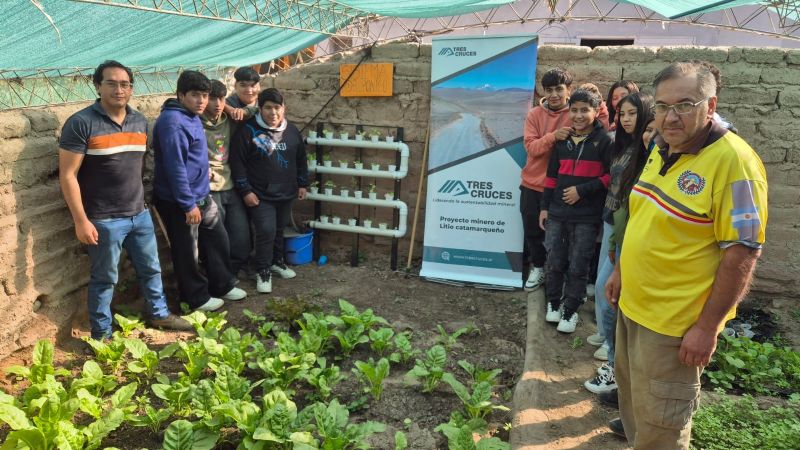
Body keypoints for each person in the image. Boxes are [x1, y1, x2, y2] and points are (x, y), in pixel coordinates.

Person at [606, 61, 768, 448]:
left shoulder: (735, 165)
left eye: (684, 104)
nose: (669, 117)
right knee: (635, 408)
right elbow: (644, 217)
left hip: (674, 325)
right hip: (634, 309)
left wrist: (707, 328)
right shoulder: (664, 148)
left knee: (663, 427)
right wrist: (621, 273)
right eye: (661, 106)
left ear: (711, 106)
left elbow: (742, 254)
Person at [58, 60, 192, 340]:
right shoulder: (82, 123)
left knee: (151, 268)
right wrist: (81, 221)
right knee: (105, 278)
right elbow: (68, 175)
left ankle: (159, 314)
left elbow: (139, 166)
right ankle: (102, 334)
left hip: (139, 213)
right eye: (111, 83)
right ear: (97, 86)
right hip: (103, 219)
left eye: (125, 84)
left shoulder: (139, 121)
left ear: (131, 88)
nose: (119, 89)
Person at [152, 70, 247, 312]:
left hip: (201, 195)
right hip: (180, 200)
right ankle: (195, 298)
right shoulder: (172, 122)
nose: (202, 101)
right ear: (181, 94)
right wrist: (188, 204)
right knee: (187, 250)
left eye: (204, 95)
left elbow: (194, 157)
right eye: (195, 95)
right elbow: (175, 167)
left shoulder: (191, 115)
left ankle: (222, 284)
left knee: (217, 238)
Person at [584, 92, 653, 395]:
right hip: (613, 223)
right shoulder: (623, 146)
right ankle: (615, 359)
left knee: (608, 292)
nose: (625, 119)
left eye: (632, 114)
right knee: (606, 293)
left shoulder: (649, 151)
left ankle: (616, 366)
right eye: (621, 113)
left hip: (630, 232)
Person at [539, 89, 612, 334]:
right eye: (574, 110)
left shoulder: (605, 142)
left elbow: (610, 177)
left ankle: (571, 309)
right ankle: (553, 301)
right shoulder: (562, 141)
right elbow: (551, 177)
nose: (579, 115)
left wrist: (582, 190)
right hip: (557, 214)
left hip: (586, 216)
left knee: (579, 264)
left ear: (596, 111)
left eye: (584, 110)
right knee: (554, 260)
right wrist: (544, 207)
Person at [230, 88, 309, 293]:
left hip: (286, 192)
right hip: (260, 194)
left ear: (284, 108)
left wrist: (302, 184)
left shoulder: (291, 131)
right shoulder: (248, 131)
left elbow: (300, 159)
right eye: (268, 108)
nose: (273, 112)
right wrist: (246, 190)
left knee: (280, 229)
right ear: (260, 108)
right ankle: (262, 270)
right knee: (266, 231)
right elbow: (237, 163)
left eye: (277, 107)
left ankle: (276, 262)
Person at [520, 68, 574, 291]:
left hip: (562, 188)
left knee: (561, 235)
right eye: (549, 90)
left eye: (559, 89)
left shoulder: (577, 113)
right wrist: (553, 136)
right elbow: (531, 148)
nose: (554, 94)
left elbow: (600, 123)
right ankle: (539, 267)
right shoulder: (534, 114)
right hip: (532, 184)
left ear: (568, 90)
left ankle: (558, 276)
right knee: (532, 231)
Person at [202, 80, 257, 277]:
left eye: (221, 99)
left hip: (231, 183)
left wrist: (233, 109)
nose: (217, 104)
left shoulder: (229, 118)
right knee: (217, 237)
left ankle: (236, 270)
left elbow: (255, 109)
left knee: (240, 234)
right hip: (208, 187)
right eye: (212, 99)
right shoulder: (194, 120)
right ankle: (220, 277)